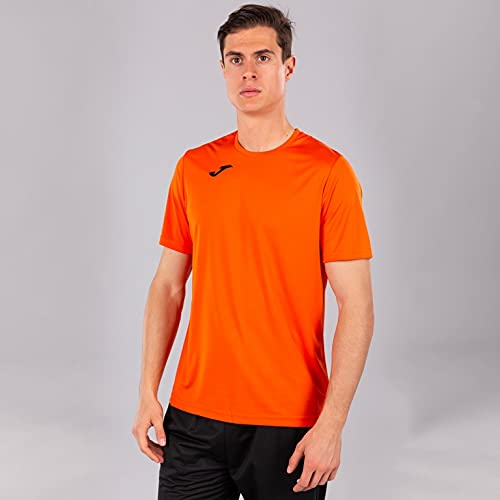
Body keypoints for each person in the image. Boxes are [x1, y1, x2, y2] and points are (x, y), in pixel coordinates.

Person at [132, 4, 375, 499]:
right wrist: (147, 392)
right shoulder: (194, 168)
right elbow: (168, 284)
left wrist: (332, 424)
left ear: (288, 66)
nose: (248, 71)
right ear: (222, 69)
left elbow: (357, 305)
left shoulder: (328, 172)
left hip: (289, 422)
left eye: (263, 57)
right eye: (235, 59)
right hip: (193, 417)